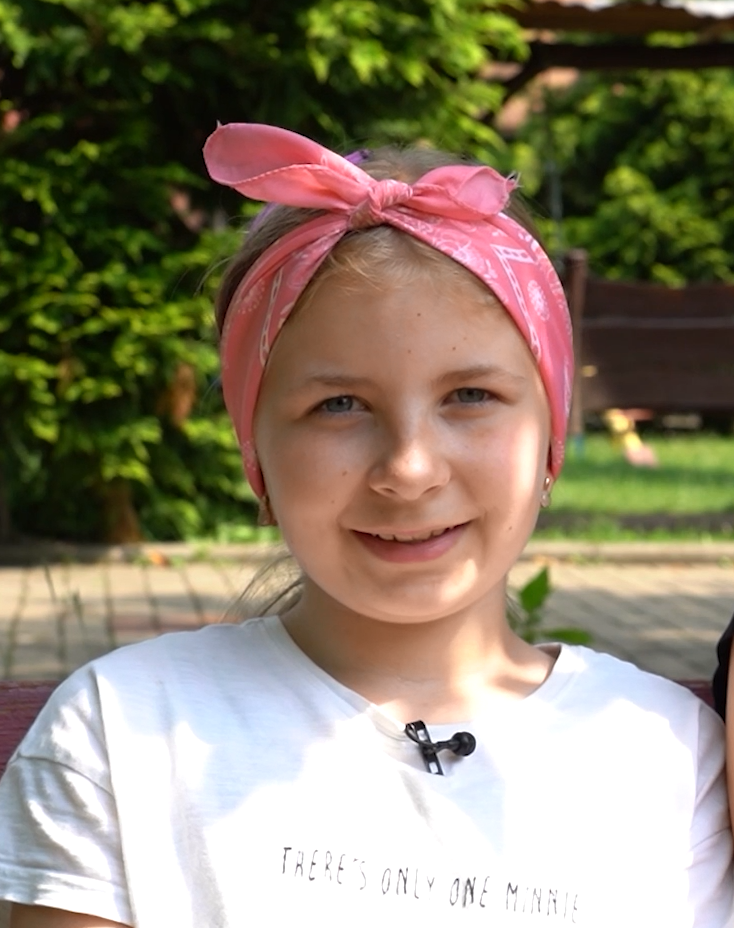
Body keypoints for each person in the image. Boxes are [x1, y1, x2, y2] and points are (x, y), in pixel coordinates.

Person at [0, 123, 731, 928]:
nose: (409, 467)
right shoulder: (122, 734)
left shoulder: (667, 756)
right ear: (256, 456)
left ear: (551, 439)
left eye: (471, 396)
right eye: (339, 405)